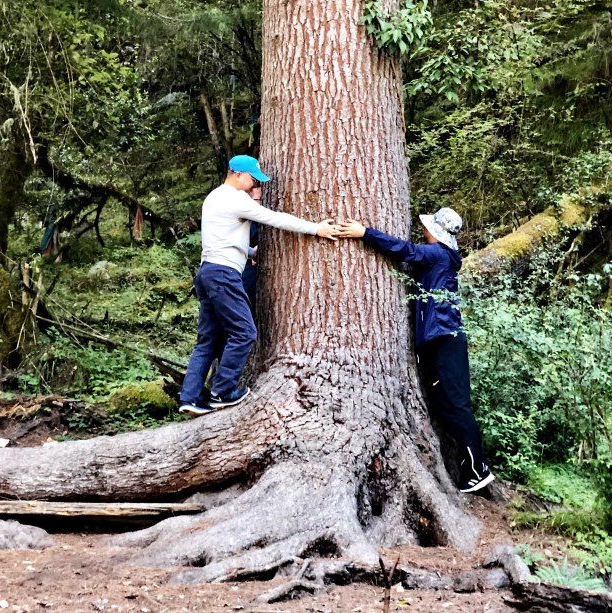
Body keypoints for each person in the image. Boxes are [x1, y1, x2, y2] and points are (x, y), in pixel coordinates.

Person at [337, 208, 494, 493]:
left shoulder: (437, 253)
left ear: (437, 232)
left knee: (457, 405)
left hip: (445, 339)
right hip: (442, 339)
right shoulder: (441, 258)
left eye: (429, 228)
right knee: (448, 404)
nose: (425, 231)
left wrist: (365, 233)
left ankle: (477, 469)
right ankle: (473, 467)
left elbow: (404, 250)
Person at [179, 155, 340, 416]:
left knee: (208, 339)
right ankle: (222, 391)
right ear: (238, 174)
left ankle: (190, 397)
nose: (255, 185)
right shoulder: (236, 198)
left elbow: (226, 238)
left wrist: (251, 254)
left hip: (208, 271)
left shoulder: (214, 197)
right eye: (253, 179)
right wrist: (315, 228)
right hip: (224, 274)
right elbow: (274, 218)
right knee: (244, 332)